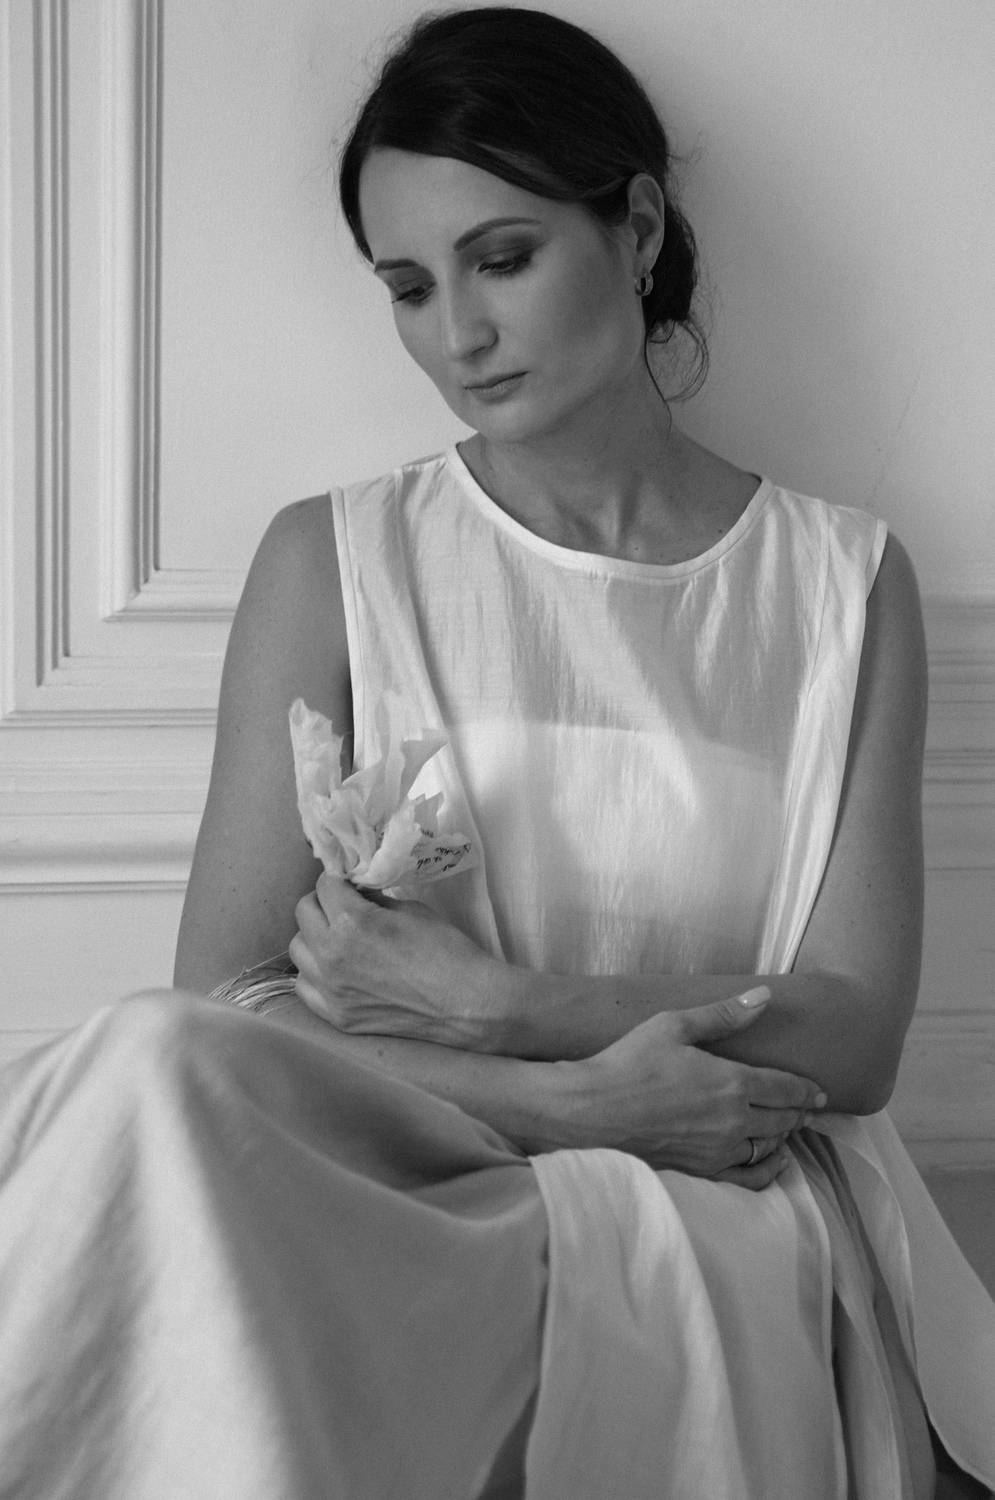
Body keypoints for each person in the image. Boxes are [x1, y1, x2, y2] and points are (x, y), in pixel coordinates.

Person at [1, 7, 993, 1497]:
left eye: (502, 259)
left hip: (719, 1193)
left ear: (637, 228)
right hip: (408, 1176)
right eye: (408, 286)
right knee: (147, 1064)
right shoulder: (331, 560)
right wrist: (567, 1101)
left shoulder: (843, 586)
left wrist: (500, 1005)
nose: (454, 334)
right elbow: (229, 1004)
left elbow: (848, 1036)